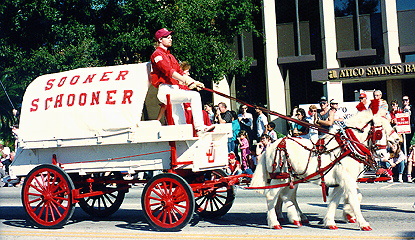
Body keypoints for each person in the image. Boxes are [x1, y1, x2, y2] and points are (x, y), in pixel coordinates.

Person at [150, 28, 213, 135]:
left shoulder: (170, 56)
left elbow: (180, 72)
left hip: (174, 90)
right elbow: (169, 71)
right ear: (160, 39)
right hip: (166, 90)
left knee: (181, 122)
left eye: (170, 37)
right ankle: (200, 127)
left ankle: (185, 143)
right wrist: (188, 82)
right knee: (195, 96)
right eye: (168, 37)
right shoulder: (157, 55)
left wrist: (195, 82)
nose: (171, 39)